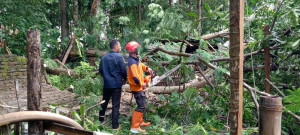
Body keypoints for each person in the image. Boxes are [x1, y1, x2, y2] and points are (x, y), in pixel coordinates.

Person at [99, 39, 127, 130]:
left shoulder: (104, 58)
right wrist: (125, 79)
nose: (120, 47)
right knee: (115, 105)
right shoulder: (119, 57)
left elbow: (100, 70)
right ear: (115, 46)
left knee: (104, 102)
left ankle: (100, 120)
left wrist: (107, 76)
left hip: (107, 84)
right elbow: (123, 71)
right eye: (119, 46)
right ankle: (115, 126)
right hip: (116, 85)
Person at [126, 41, 153, 133]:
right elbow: (135, 77)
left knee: (142, 104)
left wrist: (147, 68)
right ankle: (135, 126)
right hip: (136, 87)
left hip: (139, 87)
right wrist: (142, 84)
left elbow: (141, 65)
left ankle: (140, 122)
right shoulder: (132, 62)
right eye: (137, 48)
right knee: (141, 105)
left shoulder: (135, 59)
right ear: (134, 50)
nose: (139, 50)